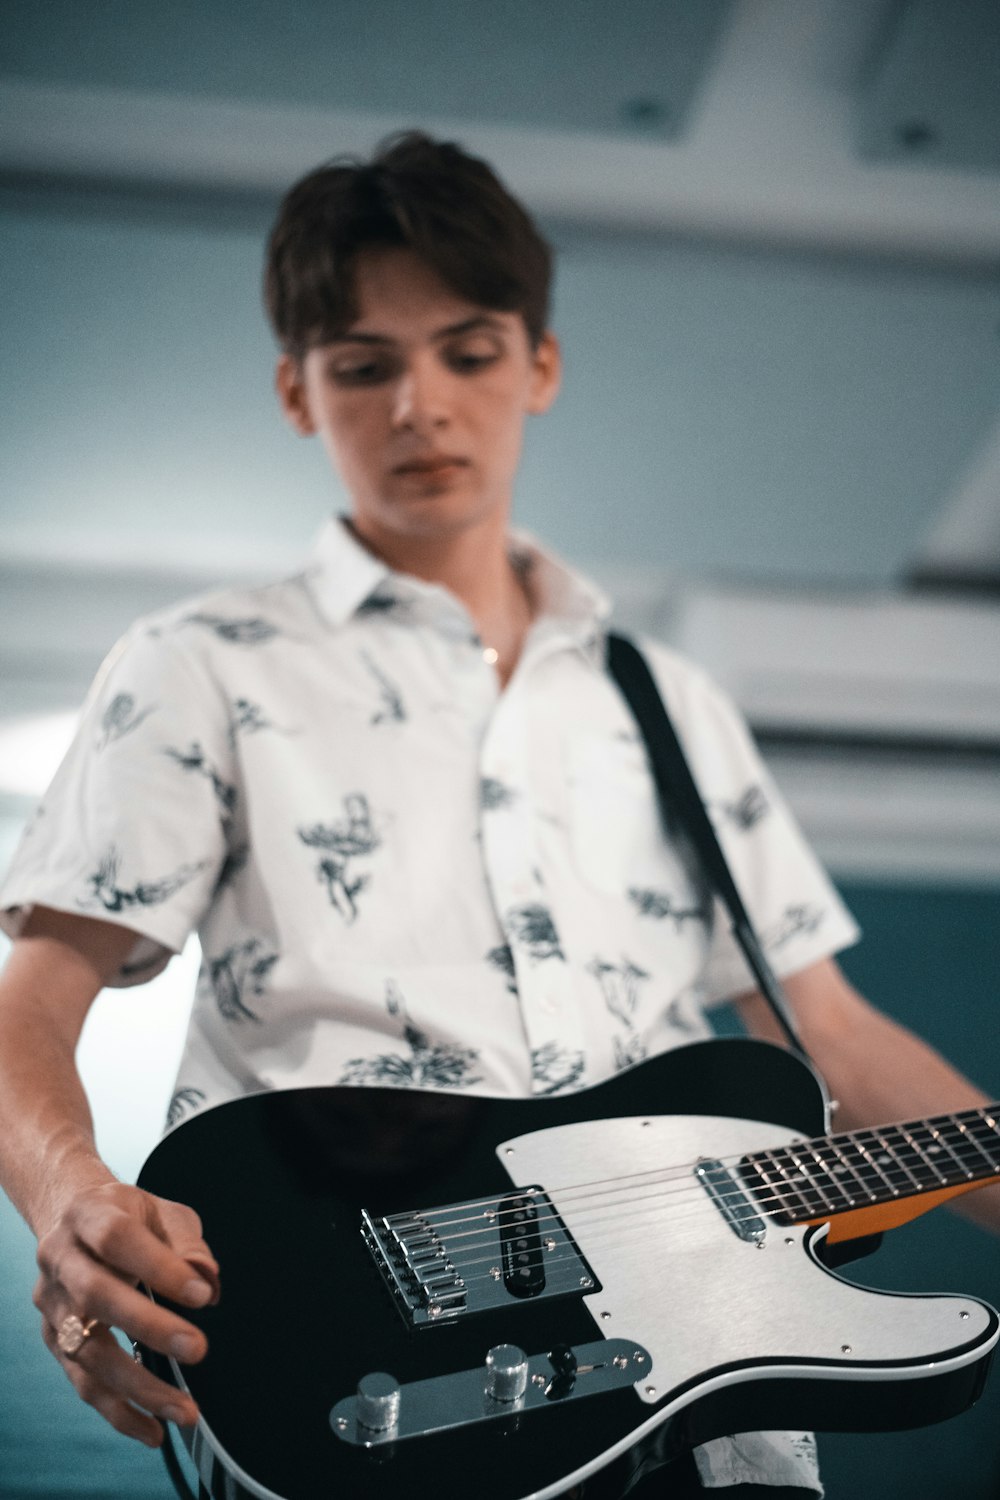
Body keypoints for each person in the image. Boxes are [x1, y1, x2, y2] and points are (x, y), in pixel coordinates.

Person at [0, 131, 996, 1499]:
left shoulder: (671, 701)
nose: (420, 405)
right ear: (299, 390)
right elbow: (31, 1004)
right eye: (363, 365)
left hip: (711, 1408)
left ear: (540, 364)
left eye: (468, 351)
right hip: (365, 1369)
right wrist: (65, 1193)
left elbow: (825, 1034)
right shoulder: (199, 662)